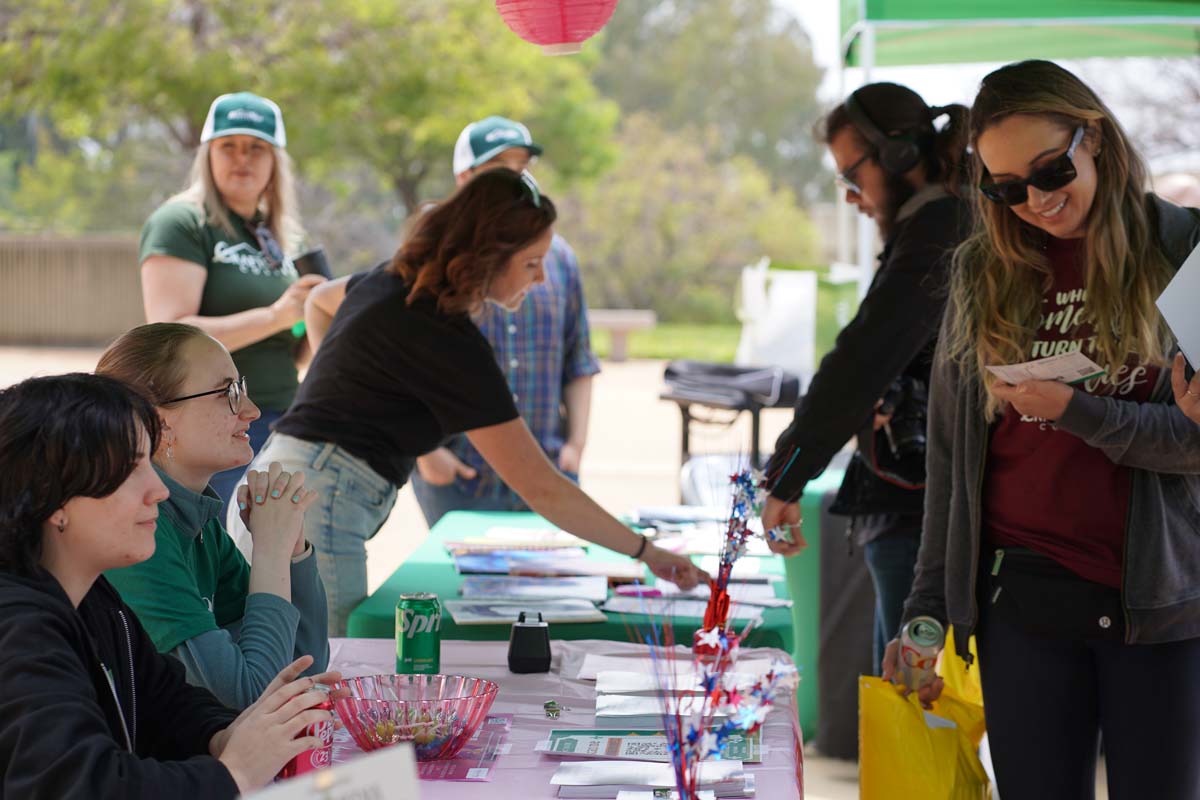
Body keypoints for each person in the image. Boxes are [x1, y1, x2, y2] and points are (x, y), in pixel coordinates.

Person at [884, 60, 1200, 799]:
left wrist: (1076, 411)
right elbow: (956, 464)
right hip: (1018, 607)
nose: (1036, 200)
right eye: (1005, 186)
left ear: (1095, 138)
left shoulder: (1182, 251)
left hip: (1158, 609)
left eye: (1052, 169)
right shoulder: (982, 271)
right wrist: (925, 613)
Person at [246, 168, 705, 634]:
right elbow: (542, 486)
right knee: (329, 668)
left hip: (281, 475)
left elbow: (320, 300)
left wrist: (346, 388)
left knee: (279, 661)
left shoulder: (393, 284)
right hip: (319, 494)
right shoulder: (447, 338)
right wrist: (646, 553)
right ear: (489, 256)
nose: (542, 277)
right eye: (531, 263)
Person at [0, 373, 340, 798]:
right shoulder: (19, 630)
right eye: (129, 471)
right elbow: (80, 786)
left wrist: (228, 733)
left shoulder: (94, 599)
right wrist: (232, 774)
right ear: (53, 501)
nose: (159, 490)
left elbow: (166, 701)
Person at [758, 83, 972, 673]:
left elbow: (862, 360)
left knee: (909, 704)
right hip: (908, 505)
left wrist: (786, 476)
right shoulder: (931, 225)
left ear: (899, 154)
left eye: (853, 176)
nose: (852, 197)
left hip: (918, 511)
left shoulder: (940, 228)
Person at [97, 323, 329, 709]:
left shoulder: (197, 517)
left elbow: (303, 671)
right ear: (160, 421)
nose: (252, 411)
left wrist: (292, 548)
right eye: (228, 394)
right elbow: (252, 703)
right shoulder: (139, 532)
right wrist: (270, 551)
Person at [139, 91, 326, 512]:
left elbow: (292, 352)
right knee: (219, 560)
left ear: (276, 160)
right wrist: (277, 315)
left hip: (280, 419)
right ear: (207, 155)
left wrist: (318, 319)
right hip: (206, 427)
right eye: (229, 146)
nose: (243, 158)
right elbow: (167, 337)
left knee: (269, 555)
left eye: (257, 147)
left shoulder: (283, 235)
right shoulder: (182, 222)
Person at [411, 115, 600, 527]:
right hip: (460, 475)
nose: (516, 179)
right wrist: (427, 453)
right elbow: (402, 365)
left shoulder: (560, 258)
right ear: (465, 178)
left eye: (522, 168)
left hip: (547, 469)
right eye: (500, 167)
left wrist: (576, 444)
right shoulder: (431, 257)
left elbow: (579, 358)